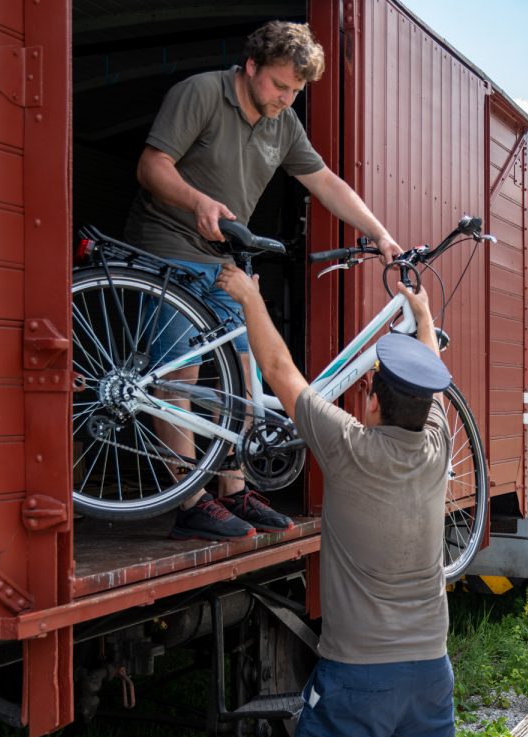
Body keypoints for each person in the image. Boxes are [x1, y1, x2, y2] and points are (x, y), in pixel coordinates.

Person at [125, 20, 404, 540]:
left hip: (226, 257)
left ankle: (233, 489)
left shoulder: (283, 122)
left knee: (245, 373)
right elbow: (151, 166)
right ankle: (189, 500)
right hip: (168, 248)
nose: (286, 98)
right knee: (179, 375)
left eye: (297, 91)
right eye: (280, 85)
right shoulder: (202, 94)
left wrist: (380, 234)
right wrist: (197, 200)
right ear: (251, 66)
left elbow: (324, 181)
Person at [218, 263, 475, 737]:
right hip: (430, 669)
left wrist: (248, 296)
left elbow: (278, 368)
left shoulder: (349, 447)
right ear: (427, 408)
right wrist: (424, 314)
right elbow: (429, 370)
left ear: (373, 401)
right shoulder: (434, 447)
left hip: (357, 677)